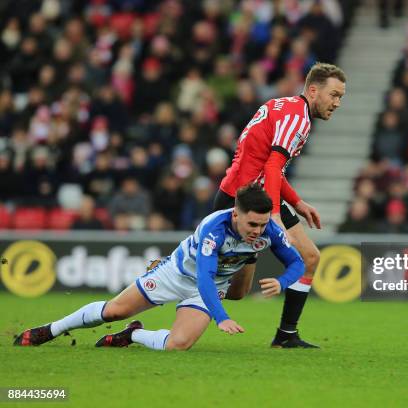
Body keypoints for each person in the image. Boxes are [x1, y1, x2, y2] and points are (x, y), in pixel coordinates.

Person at [14, 184, 305, 351]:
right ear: (235, 214)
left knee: (178, 345)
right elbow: (203, 274)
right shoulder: (213, 229)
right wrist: (221, 317)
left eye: (263, 223)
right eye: (252, 223)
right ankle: (50, 330)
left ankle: (133, 335)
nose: (258, 230)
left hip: (210, 287)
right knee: (114, 310)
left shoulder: (269, 232)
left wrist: (282, 281)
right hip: (176, 274)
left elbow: (297, 263)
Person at [214, 62, 346, 348]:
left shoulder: (284, 107)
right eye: (333, 95)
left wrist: (297, 202)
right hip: (243, 204)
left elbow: (270, 167)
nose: (336, 103)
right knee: (234, 290)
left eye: (340, 98)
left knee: (310, 257)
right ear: (313, 91)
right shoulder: (298, 118)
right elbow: (273, 167)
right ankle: (160, 278)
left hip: (257, 196)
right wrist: (273, 214)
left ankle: (287, 334)